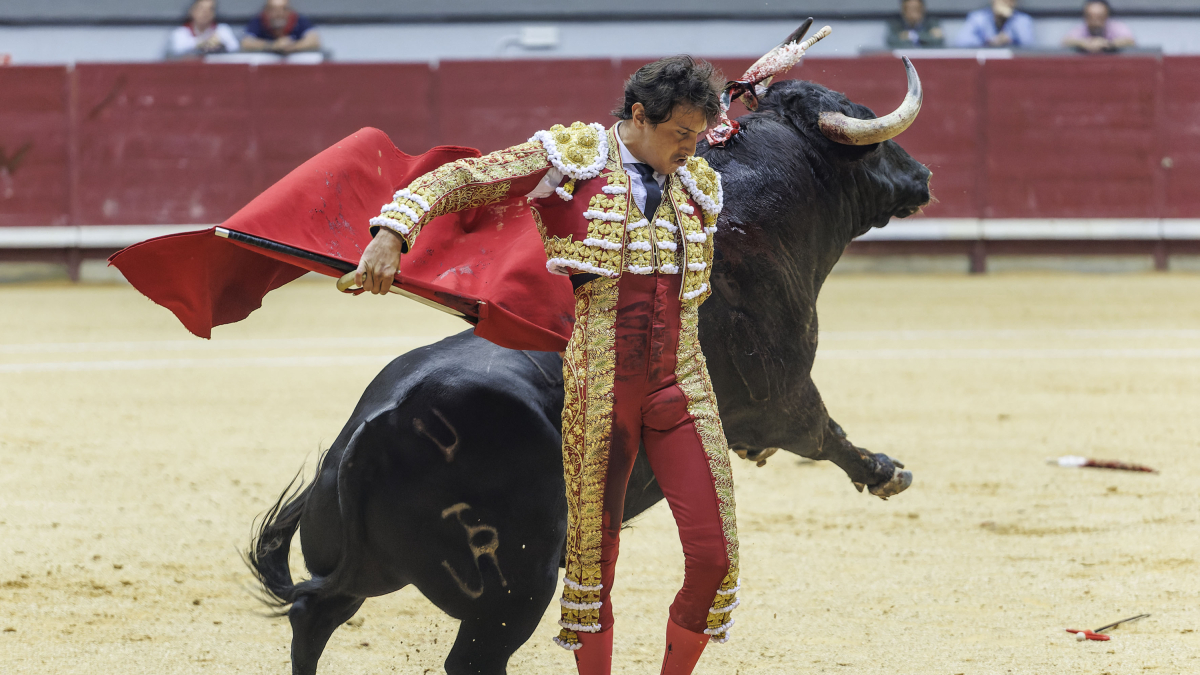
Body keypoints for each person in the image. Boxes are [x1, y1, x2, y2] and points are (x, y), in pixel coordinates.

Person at [358, 55, 739, 675]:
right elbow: (463, 179)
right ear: (638, 116)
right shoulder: (571, 159)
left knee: (715, 557)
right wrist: (392, 232)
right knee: (594, 559)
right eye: (681, 134)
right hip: (599, 385)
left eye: (699, 135)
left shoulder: (696, 182)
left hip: (682, 386)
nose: (692, 148)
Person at [241, 0, 321, 54]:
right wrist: (273, 45)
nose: (279, 14)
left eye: (284, 9)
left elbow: (314, 40)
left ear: (290, 11)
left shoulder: (298, 20)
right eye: (273, 9)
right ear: (266, 11)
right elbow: (246, 42)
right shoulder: (259, 20)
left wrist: (293, 46)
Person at [166, 0, 239, 59]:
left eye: (210, 9)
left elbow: (235, 48)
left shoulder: (222, 29)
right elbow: (176, 50)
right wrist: (203, 42)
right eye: (201, 8)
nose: (205, 13)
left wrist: (221, 44)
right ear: (192, 11)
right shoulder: (181, 32)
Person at [954, 0, 1035, 48]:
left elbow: (1030, 46)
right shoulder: (978, 18)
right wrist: (988, 42)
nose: (1004, 2)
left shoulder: (1022, 20)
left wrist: (1010, 39)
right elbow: (961, 41)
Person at [1063, 0, 1135, 53]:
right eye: (1090, 16)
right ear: (1085, 17)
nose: (1095, 21)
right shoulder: (1081, 28)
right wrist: (1084, 43)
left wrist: (1107, 44)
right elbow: (1066, 42)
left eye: (1099, 17)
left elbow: (1129, 41)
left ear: (1106, 15)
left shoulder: (1116, 26)